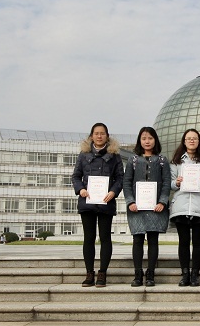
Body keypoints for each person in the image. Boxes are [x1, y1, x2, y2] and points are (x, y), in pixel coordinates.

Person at [72, 122, 124, 288]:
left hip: (105, 202)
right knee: (89, 238)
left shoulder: (114, 156)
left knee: (105, 237)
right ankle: (89, 273)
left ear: (107, 136)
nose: (99, 136)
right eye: (96, 133)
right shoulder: (83, 155)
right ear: (91, 136)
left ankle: (102, 273)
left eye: (102, 133)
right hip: (87, 202)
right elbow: (76, 177)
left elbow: (120, 178)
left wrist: (113, 192)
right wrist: (81, 189)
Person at [123, 127, 170, 287]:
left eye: (150, 138)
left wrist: (162, 202)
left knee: (153, 239)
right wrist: (130, 201)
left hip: (156, 208)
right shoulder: (133, 160)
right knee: (137, 239)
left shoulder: (162, 160)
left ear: (155, 140)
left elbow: (166, 183)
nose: (147, 141)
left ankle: (150, 274)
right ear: (139, 141)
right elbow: (127, 182)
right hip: (137, 208)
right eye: (144, 138)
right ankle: (138, 274)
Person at [169, 129, 200, 287]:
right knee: (183, 242)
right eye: (188, 138)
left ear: (199, 141)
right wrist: (177, 182)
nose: (191, 141)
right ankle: (185, 274)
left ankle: (195, 274)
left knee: (197, 242)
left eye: (194, 138)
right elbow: (170, 183)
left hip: (199, 206)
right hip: (181, 205)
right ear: (184, 141)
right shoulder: (176, 161)